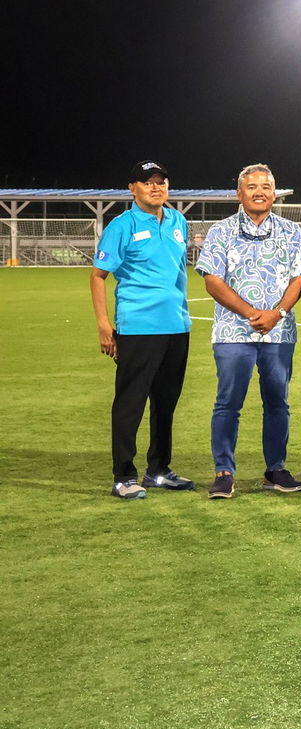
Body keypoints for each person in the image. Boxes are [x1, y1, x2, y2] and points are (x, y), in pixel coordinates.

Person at [195, 163, 301, 499]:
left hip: (278, 332)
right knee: (228, 402)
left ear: (274, 192)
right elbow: (212, 280)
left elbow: (299, 278)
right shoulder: (221, 231)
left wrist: (277, 313)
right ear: (239, 193)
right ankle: (223, 472)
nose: (260, 191)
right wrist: (251, 313)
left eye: (266, 186)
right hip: (233, 332)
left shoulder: (291, 231)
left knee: (278, 402)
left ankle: (275, 469)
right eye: (253, 186)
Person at [90, 160, 195, 498]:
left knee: (166, 403)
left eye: (161, 182)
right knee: (130, 403)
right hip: (137, 328)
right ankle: (123, 476)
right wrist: (105, 325)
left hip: (177, 326)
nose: (156, 187)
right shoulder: (122, 225)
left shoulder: (179, 221)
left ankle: (159, 470)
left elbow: (178, 272)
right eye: (147, 182)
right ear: (132, 188)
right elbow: (98, 276)